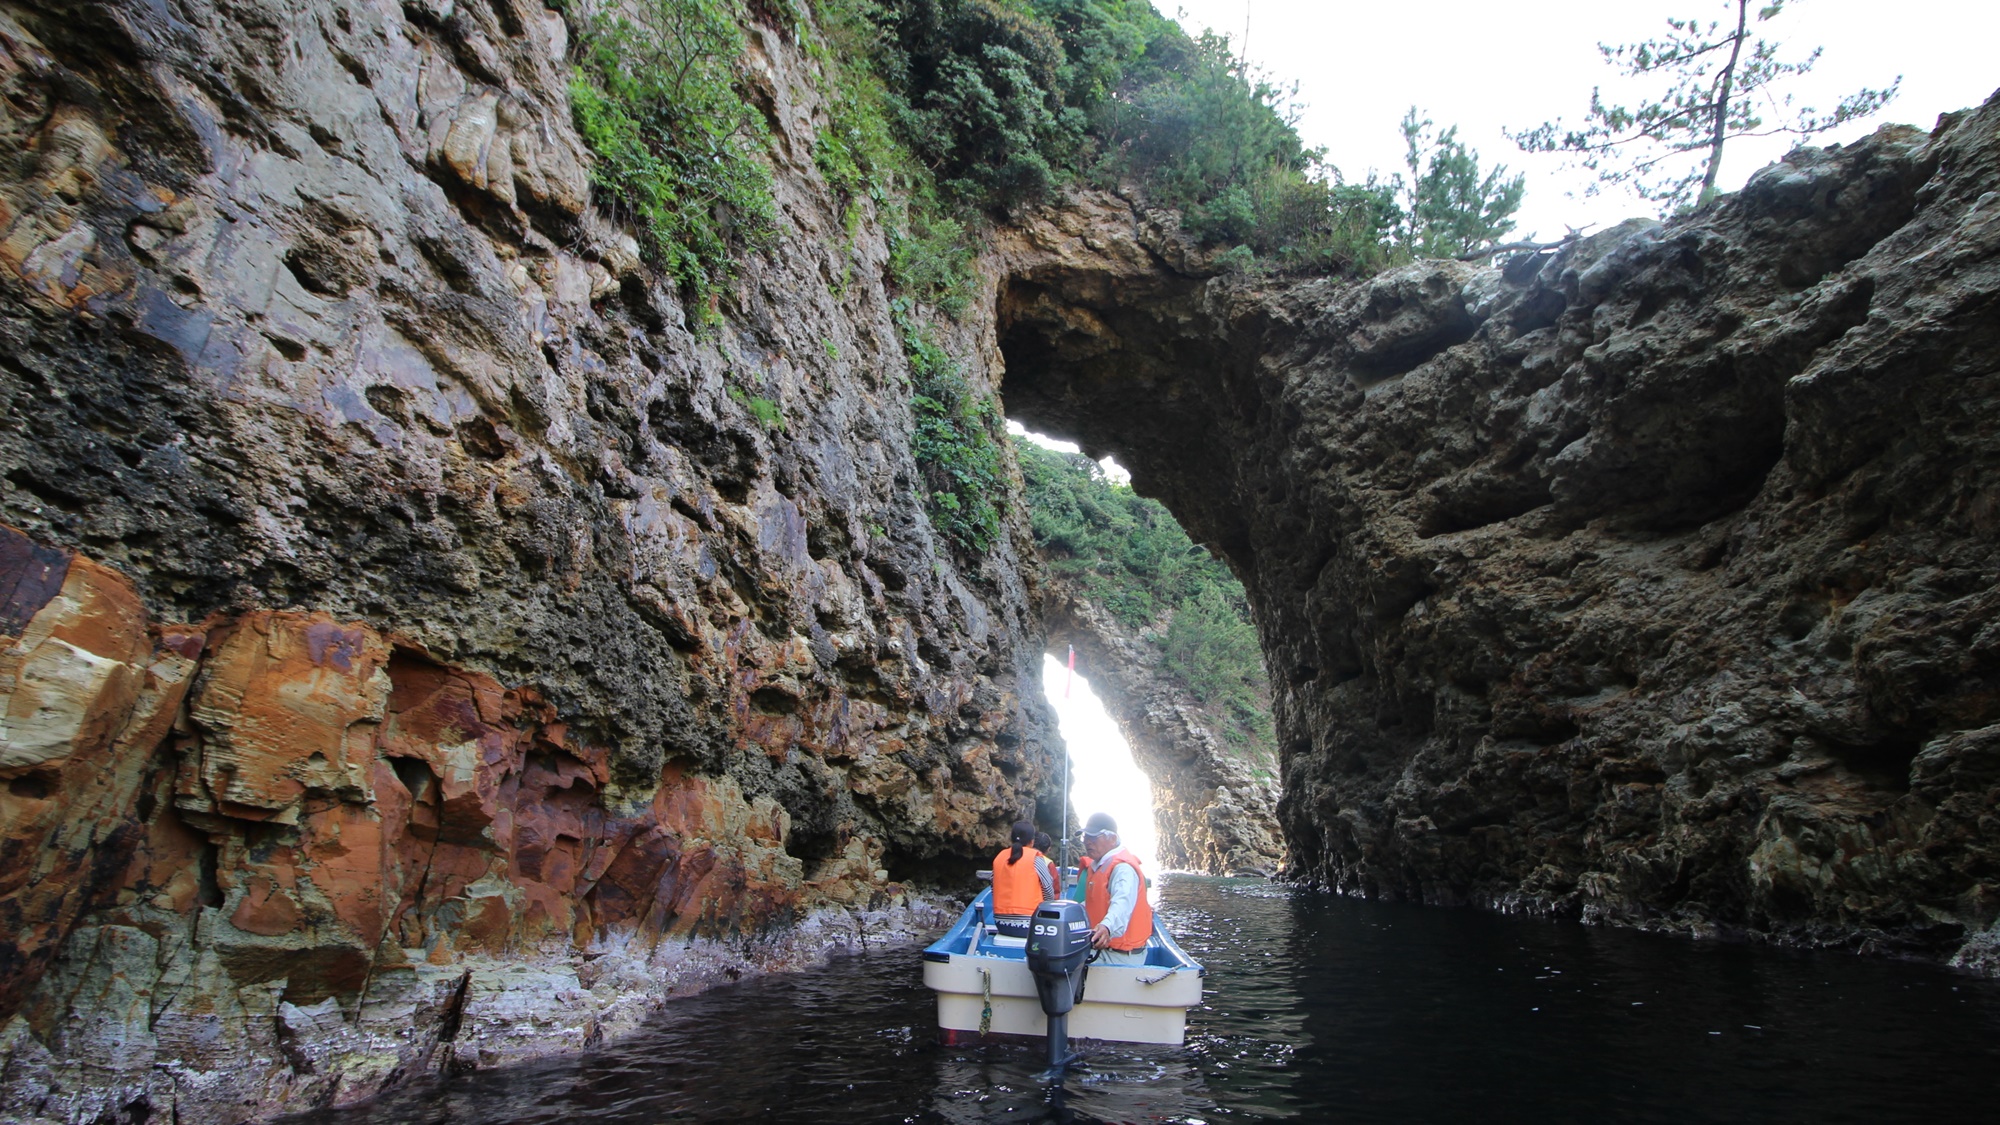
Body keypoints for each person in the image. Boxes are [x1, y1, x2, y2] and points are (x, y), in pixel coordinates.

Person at [1078, 812, 1153, 965]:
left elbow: (1122, 903)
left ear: (1112, 839)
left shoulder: (1123, 869)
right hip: (1103, 949)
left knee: (1065, 962)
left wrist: (1107, 927)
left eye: (1093, 837)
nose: (1087, 842)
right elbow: (1096, 903)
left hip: (1121, 956)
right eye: (1085, 837)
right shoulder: (1099, 865)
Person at [991, 819, 1055, 937]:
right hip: (1029, 925)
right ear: (1032, 841)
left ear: (1011, 838)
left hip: (1000, 923)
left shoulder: (999, 857)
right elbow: (1048, 888)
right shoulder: (1035, 858)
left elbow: (993, 887)